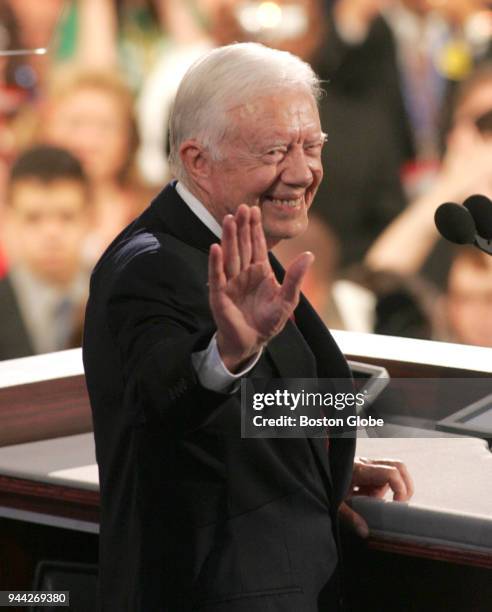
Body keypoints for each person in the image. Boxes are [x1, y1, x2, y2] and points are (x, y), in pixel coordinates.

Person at [83, 43, 413, 612]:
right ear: (197, 159)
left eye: (312, 146)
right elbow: (163, 398)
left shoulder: (240, 234)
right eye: (276, 150)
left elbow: (255, 403)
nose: (304, 171)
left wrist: (322, 460)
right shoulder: (150, 264)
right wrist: (223, 357)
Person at [0, 145, 90, 360]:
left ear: (89, 217)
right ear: (9, 220)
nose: (52, 234)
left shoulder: (118, 297)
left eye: (66, 216)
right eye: (33, 218)